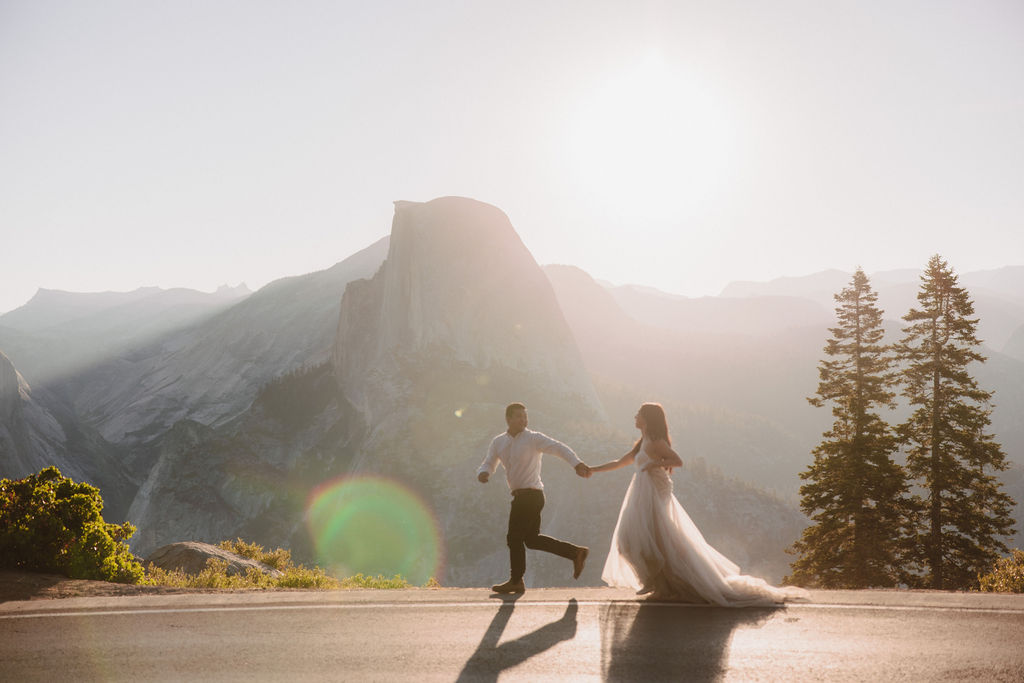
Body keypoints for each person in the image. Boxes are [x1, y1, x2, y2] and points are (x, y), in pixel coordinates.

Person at [590, 403, 809, 605]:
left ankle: (659, 583)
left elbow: (677, 461)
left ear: (647, 418)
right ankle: (659, 584)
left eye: (638, 414)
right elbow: (620, 462)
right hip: (642, 494)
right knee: (633, 539)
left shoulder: (657, 442)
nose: (634, 417)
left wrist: (653, 464)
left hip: (654, 493)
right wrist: (592, 470)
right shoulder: (642, 443)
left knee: (654, 539)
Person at [477, 402, 592, 594]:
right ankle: (575, 553)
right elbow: (489, 462)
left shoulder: (533, 438)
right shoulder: (498, 442)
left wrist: (576, 463)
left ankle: (516, 580)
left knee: (513, 538)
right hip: (520, 495)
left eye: (525, 416)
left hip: (532, 495)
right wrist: (484, 472)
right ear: (509, 419)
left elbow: (558, 448)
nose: (524, 419)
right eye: (519, 416)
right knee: (531, 540)